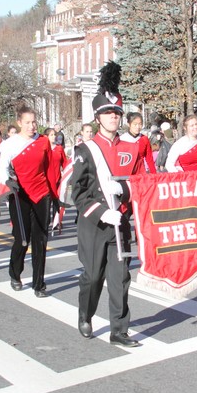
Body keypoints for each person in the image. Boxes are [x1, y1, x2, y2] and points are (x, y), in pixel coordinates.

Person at [71, 65, 145, 347]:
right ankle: (85, 314)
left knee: (120, 278)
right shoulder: (86, 150)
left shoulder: (131, 148)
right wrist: (103, 212)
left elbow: (140, 182)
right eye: (107, 113)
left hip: (121, 223)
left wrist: (124, 190)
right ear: (98, 117)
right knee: (92, 277)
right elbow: (77, 194)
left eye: (116, 113)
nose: (113, 117)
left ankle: (119, 330)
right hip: (95, 224)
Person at [0, 107, 53, 295]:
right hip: (19, 194)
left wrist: (53, 195)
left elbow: (49, 169)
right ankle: (15, 272)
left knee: (40, 240)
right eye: (27, 122)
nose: (32, 126)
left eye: (34, 122)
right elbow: (2, 168)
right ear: (19, 123)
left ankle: (39, 284)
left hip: (41, 193)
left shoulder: (43, 142)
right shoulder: (10, 144)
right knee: (22, 239)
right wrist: (7, 181)